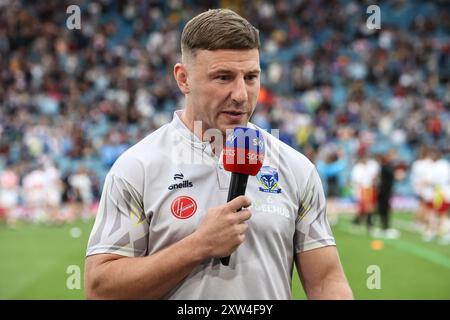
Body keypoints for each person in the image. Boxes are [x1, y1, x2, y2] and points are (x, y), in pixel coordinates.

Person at [84, 8, 353, 300]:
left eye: (250, 77)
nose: (240, 94)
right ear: (183, 79)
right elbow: (101, 290)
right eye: (223, 77)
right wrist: (198, 245)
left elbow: (326, 281)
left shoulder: (296, 168)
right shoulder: (139, 167)